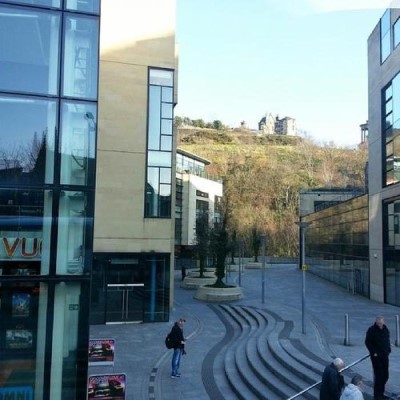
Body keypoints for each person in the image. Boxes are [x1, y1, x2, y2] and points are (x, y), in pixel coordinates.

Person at [365, 316, 391, 400]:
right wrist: (373, 352)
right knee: (379, 376)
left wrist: (388, 349)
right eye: (378, 322)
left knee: (385, 375)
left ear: (383, 322)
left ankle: (381, 393)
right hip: (377, 357)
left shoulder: (385, 329)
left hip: (385, 355)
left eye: (381, 322)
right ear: (376, 322)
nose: (380, 324)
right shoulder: (372, 330)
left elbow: (387, 339)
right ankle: (377, 395)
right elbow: (367, 342)